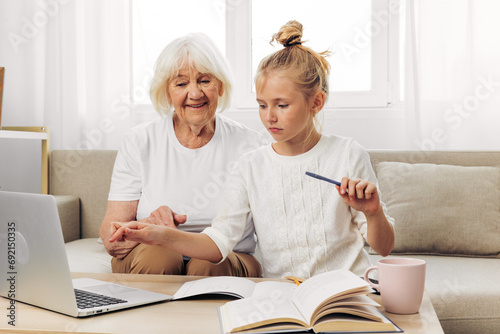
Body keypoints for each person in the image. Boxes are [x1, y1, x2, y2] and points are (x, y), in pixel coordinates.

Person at [109, 21, 395, 279]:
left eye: (281, 105)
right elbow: (219, 240)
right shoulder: (251, 165)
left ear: (316, 103)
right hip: (281, 294)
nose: (269, 117)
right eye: (262, 105)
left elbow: (384, 248)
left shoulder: (348, 154)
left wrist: (373, 213)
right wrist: (161, 235)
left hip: (345, 291)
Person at [100, 32, 267, 277]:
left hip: (226, 256)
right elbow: (111, 236)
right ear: (167, 92)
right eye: (181, 84)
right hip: (153, 251)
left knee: (208, 262)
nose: (195, 93)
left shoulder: (251, 144)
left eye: (204, 80)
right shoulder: (139, 141)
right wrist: (150, 227)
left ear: (220, 86)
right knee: (161, 256)